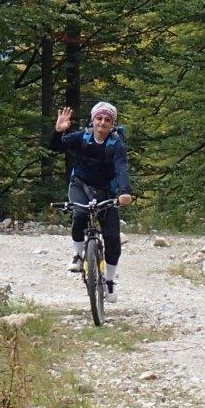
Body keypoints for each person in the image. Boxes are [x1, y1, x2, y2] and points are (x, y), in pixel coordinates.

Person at [47, 102, 133, 301]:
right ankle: (78, 256)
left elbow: (121, 169)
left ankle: (109, 282)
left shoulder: (116, 145)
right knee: (79, 214)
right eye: (99, 118)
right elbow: (54, 147)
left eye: (107, 120)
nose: (102, 122)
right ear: (92, 120)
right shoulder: (81, 137)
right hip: (80, 186)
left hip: (106, 191)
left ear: (112, 124)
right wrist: (58, 131)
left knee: (112, 237)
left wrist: (125, 192)